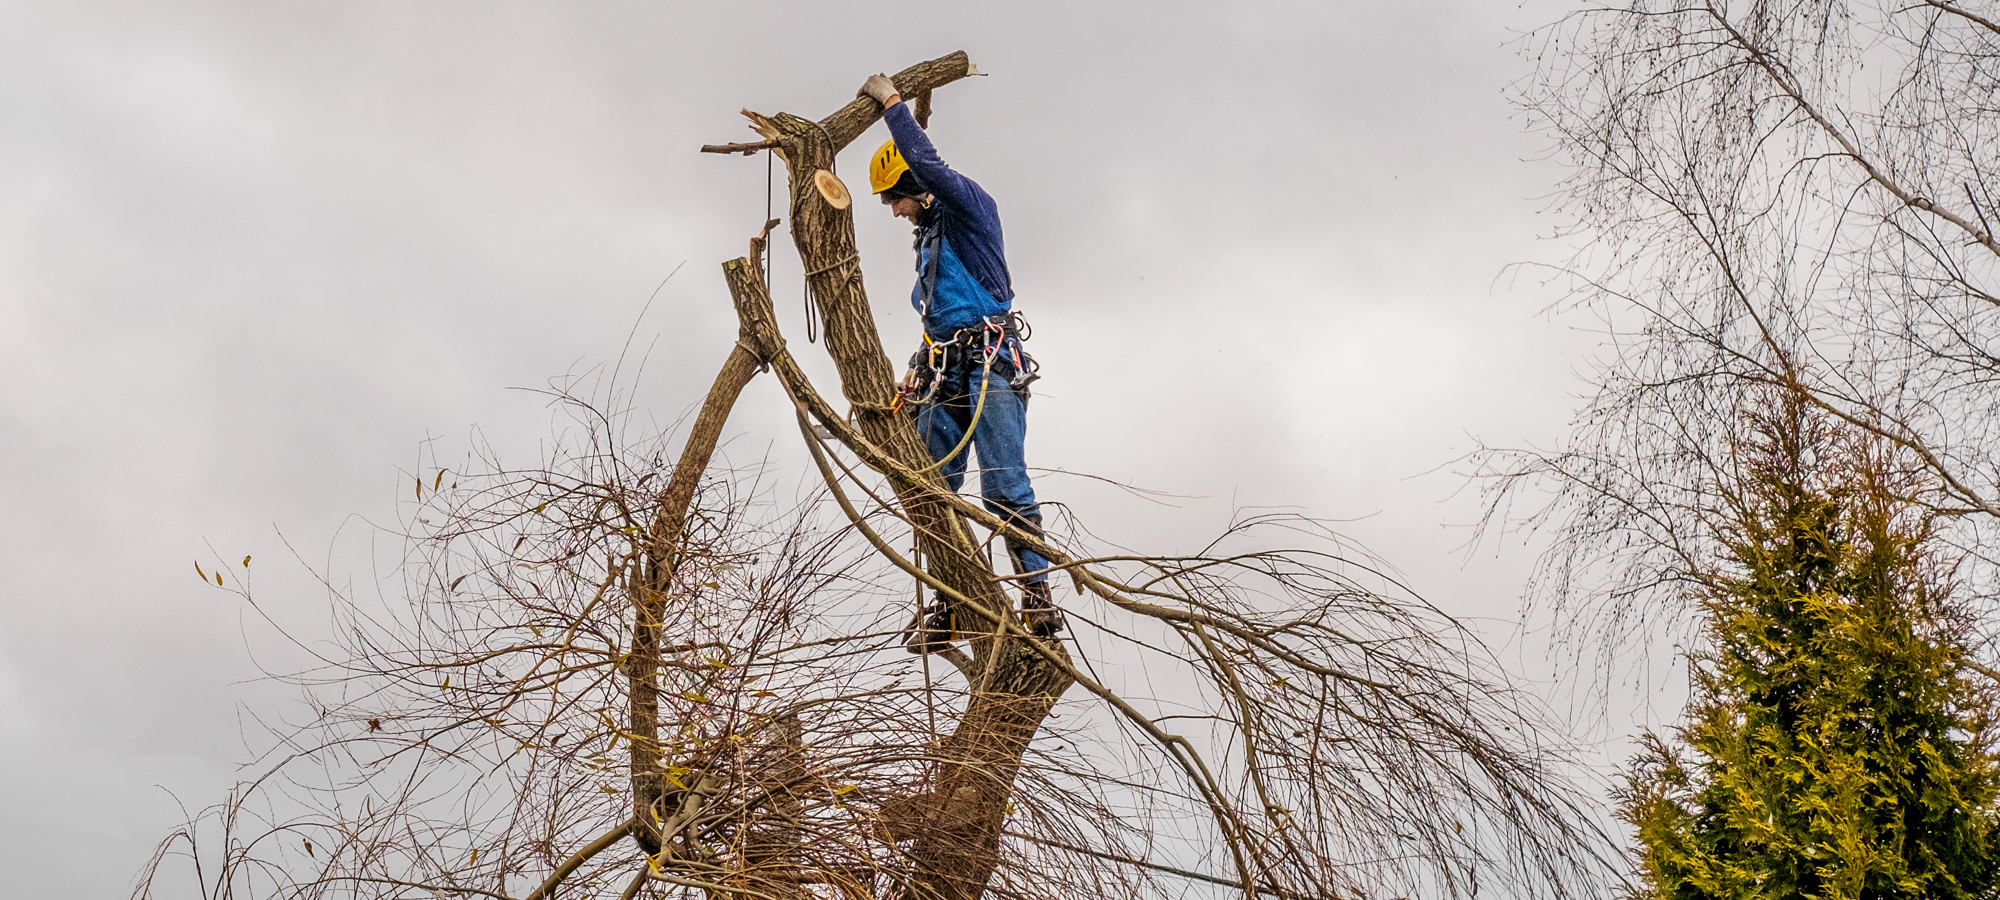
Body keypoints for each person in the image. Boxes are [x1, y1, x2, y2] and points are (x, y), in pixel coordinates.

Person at [856, 73, 1064, 650]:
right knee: (933, 489)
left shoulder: (969, 209)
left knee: (1003, 486)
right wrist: (917, 366)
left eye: (893, 198)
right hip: (944, 371)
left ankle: (1038, 599)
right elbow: (940, 318)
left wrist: (893, 103)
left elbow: (927, 160)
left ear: (915, 186)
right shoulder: (928, 240)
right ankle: (953, 603)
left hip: (991, 364)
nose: (893, 211)